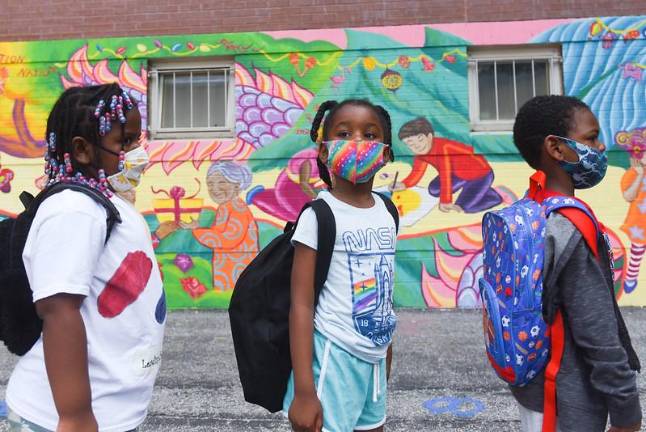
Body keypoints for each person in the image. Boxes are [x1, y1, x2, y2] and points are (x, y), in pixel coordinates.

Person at [6, 83, 165, 432]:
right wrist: (75, 416)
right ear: (81, 150)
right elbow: (59, 309)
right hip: (58, 419)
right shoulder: (73, 210)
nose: (138, 151)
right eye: (125, 143)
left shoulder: (109, 201)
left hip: (111, 413)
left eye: (138, 139)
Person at [510, 95, 641, 432]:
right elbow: (597, 331)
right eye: (590, 137)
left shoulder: (531, 209)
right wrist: (627, 411)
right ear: (556, 148)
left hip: (534, 391)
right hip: (567, 405)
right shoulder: (571, 225)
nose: (600, 147)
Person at [284, 99, 398, 432]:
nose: (358, 142)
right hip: (333, 358)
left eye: (370, 134)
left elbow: (384, 287)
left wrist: (386, 349)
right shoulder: (319, 215)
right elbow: (301, 305)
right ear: (324, 151)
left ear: (386, 153)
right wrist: (305, 392)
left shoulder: (388, 211)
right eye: (345, 133)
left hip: (374, 359)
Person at [394, 117, 501, 213]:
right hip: (458, 174)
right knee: (434, 190)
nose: (416, 146)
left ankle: (495, 195)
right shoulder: (420, 153)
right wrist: (404, 184)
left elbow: (446, 175)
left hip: (480, 175)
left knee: (464, 207)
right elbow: (417, 172)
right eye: (410, 144)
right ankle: (478, 191)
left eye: (420, 139)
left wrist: (445, 201)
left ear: (430, 136)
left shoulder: (443, 148)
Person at [181, 161, 259, 291]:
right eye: (210, 184)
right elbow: (218, 233)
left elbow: (227, 239)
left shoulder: (237, 208)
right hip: (227, 269)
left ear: (237, 185)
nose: (214, 188)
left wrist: (197, 230)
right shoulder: (226, 207)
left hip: (237, 269)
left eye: (222, 182)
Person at [248, 147, 325, 222]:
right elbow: (303, 184)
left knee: (301, 213)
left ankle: (259, 196)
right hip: (286, 188)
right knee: (298, 214)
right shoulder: (309, 160)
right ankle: (257, 197)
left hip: (300, 191)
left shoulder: (326, 161)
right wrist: (318, 199)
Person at [617, 128, 646, 293]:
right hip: (639, 225)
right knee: (636, 253)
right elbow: (628, 196)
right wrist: (640, 175)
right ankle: (631, 277)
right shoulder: (632, 174)